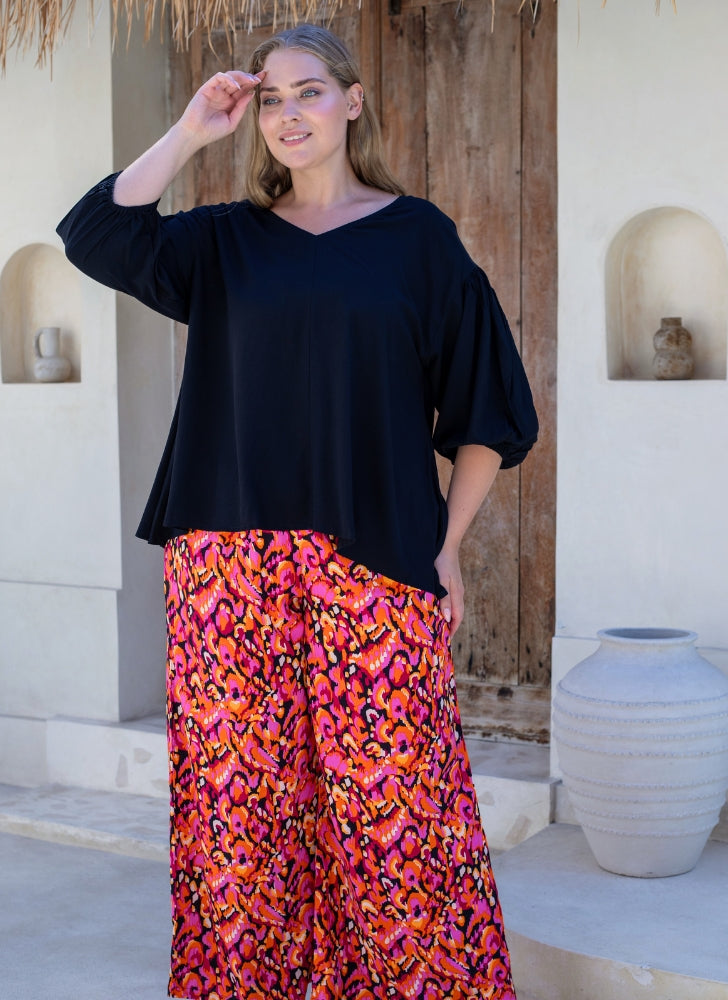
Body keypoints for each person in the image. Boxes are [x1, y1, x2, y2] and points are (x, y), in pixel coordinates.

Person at [57, 23, 537, 1000]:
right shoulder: (223, 243)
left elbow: (487, 410)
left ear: (353, 102)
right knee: (242, 825)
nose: (286, 114)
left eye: (307, 91)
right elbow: (95, 233)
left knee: (397, 819)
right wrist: (193, 130)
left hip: (375, 564)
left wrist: (446, 547)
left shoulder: (418, 242)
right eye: (269, 99)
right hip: (226, 570)